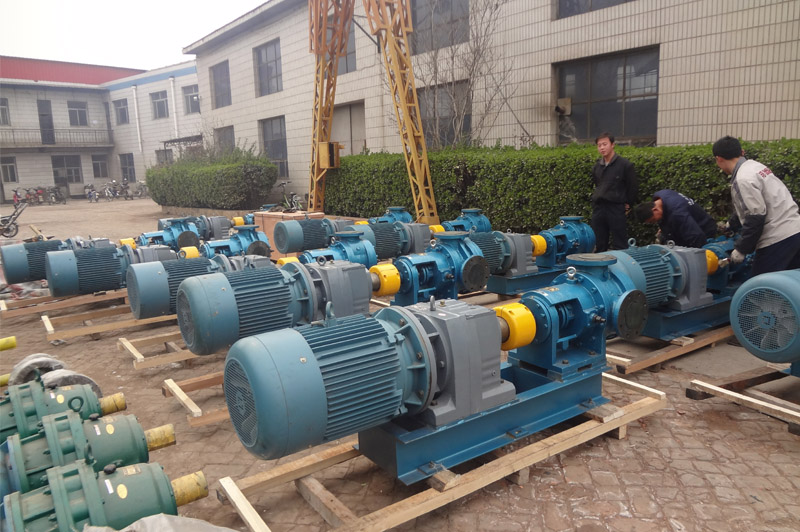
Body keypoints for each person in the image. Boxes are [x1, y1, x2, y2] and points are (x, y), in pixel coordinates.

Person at [712, 135, 800, 275]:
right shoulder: (755, 167)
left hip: (777, 238)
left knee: (760, 285)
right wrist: (731, 224)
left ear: (719, 159)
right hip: (795, 231)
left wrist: (741, 249)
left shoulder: (743, 179)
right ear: (741, 152)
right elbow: (751, 206)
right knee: (791, 283)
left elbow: (756, 217)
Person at [590, 132, 638, 251]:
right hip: (599, 208)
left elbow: (632, 187)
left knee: (620, 243)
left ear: (612, 145)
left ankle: (621, 263)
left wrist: (628, 203)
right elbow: (597, 184)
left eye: (605, 144)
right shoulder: (597, 167)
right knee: (599, 242)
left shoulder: (625, 165)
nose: (602, 148)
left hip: (616, 208)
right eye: (599, 145)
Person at [633, 189, 716, 248]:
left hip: (703, 229)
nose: (655, 222)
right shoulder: (661, 195)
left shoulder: (678, 214)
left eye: (653, 220)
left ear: (655, 210)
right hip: (691, 224)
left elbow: (696, 236)